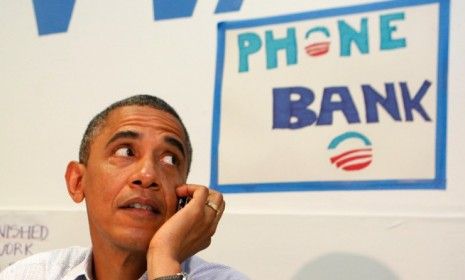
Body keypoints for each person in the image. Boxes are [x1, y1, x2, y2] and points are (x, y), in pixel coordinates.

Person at [0, 95, 248, 280]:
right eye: (125, 151)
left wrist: (164, 258)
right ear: (77, 181)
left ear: (185, 196)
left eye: (170, 159)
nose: (148, 175)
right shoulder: (29, 275)